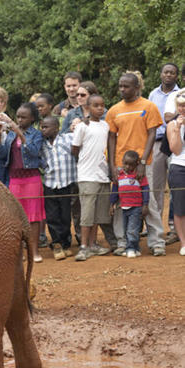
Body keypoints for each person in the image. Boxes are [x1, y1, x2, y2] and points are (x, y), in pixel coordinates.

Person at [106, 72, 165, 257]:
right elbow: (111, 138)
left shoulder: (149, 106)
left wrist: (141, 162)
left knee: (150, 203)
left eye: (127, 86)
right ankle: (123, 242)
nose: (122, 89)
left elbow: (152, 134)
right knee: (121, 204)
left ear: (137, 87)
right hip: (120, 166)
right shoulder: (114, 110)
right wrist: (112, 166)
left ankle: (156, 242)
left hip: (142, 164)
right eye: (120, 86)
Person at [0, 103, 45, 262]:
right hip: (15, 178)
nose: (19, 120)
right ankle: (20, 253)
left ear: (32, 118)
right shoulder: (10, 135)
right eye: (18, 117)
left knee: (34, 217)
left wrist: (20, 134)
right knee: (17, 216)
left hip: (31, 177)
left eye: (23, 117)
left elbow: (33, 151)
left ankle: (34, 251)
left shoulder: (36, 134)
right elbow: (2, 155)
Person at [71, 94, 112, 261]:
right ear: (88, 107)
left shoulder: (106, 126)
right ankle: (83, 246)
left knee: (97, 214)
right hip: (87, 175)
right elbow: (74, 149)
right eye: (96, 105)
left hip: (103, 176)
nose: (100, 109)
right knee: (86, 213)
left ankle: (93, 244)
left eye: (102, 105)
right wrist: (84, 160)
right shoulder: (82, 126)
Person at [148, 63, 180, 244]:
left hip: (176, 143)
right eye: (166, 72)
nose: (168, 75)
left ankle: (175, 228)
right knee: (156, 187)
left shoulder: (180, 94)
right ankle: (155, 228)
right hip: (158, 143)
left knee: (176, 186)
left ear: (177, 76)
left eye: (172, 73)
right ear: (161, 74)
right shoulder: (153, 94)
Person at [40, 116, 77, 260]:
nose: (43, 130)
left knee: (65, 215)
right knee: (52, 215)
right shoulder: (41, 143)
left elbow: (80, 137)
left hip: (66, 183)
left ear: (56, 128)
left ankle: (66, 243)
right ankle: (56, 244)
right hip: (49, 183)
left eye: (46, 127)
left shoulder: (67, 139)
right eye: (42, 127)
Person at [109, 150, 149, 258]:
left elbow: (145, 189)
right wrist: (111, 204)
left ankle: (130, 248)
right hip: (124, 207)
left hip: (136, 207)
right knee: (126, 229)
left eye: (131, 165)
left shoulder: (139, 176)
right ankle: (135, 248)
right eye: (125, 163)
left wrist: (145, 205)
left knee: (132, 230)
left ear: (137, 164)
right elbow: (115, 191)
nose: (127, 167)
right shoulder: (119, 175)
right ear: (122, 162)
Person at [165, 93, 185, 254]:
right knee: (179, 207)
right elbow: (176, 150)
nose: (182, 108)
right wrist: (178, 128)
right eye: (180, 105)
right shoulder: (172, 124)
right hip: (179, 167)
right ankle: (184, 243)